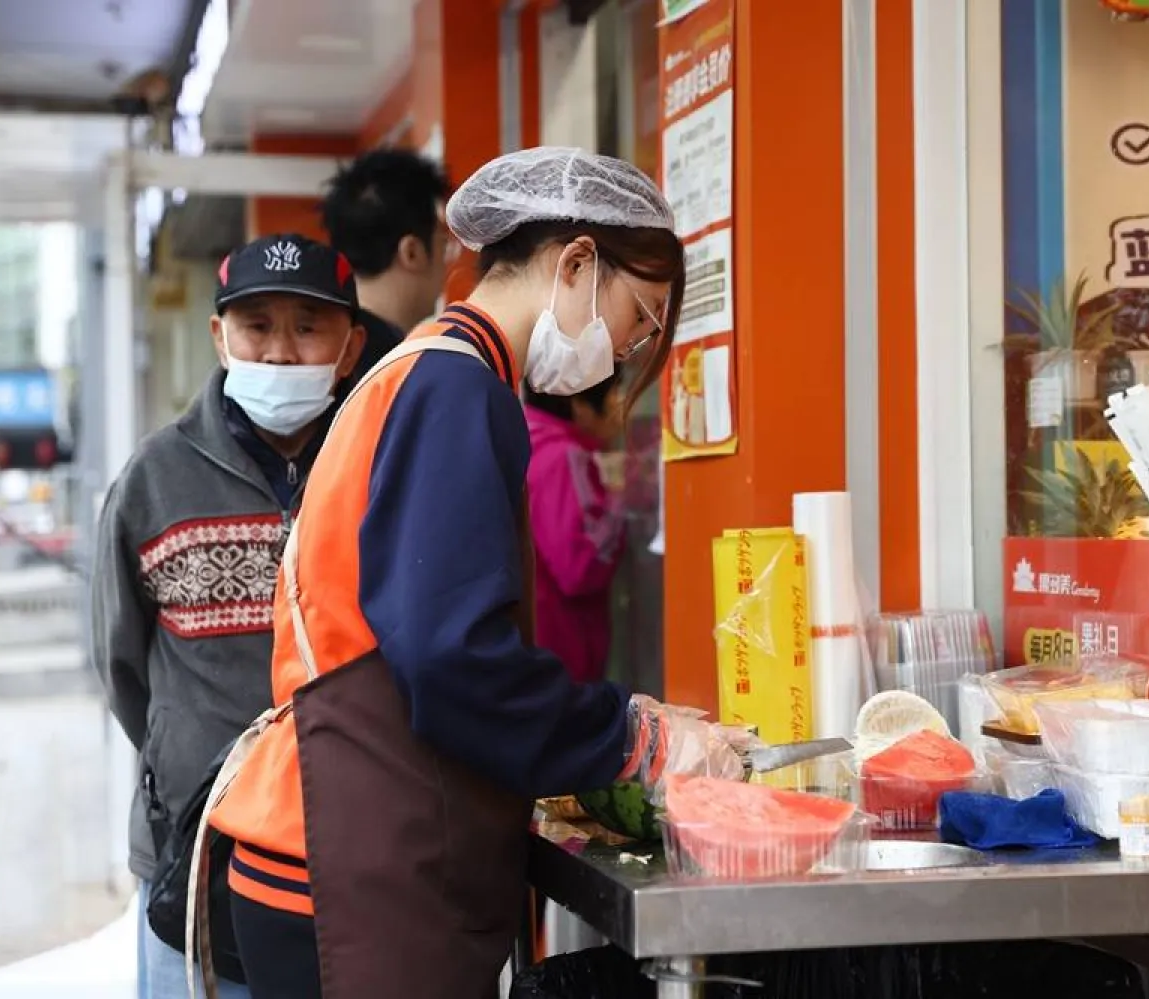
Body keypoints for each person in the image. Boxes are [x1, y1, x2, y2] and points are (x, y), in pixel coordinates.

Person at [205, 147, 744, 999]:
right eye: (638, 319)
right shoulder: (456, 386)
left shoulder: (427, 366)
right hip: (351, 868)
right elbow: (453, 656)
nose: (626, 351)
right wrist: (633, 737)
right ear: (576, 263)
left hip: (339, 844)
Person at [89, 233, 366, 999]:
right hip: (194, 854)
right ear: (220, 337)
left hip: (344, 855)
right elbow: (121, 667)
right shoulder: (153, 479)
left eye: (308, 325)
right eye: (257, 325)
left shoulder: (378, 467)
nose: (280, 352)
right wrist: (188, 757)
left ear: (350, 348)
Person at [523, 371, 629, 684]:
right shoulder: (562, 458)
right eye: (614, 393)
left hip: (537, 652)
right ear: (579, 404)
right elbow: (580, 570)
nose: (621, 404)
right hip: (562, 657)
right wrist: (621, 500)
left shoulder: (529, 441)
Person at [319, 148, 453, 380]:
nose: (448, 263)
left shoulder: (323, 343)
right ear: (412, 252)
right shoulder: (405, 368)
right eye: (444, 244)